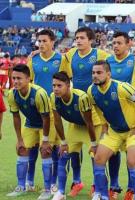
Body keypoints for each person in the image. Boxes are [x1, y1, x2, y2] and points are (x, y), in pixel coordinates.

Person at [88, 60, 135, 200]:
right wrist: (104, 124)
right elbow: (96, 107)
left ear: (108, 74)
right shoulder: (91, 91)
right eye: (93, 73)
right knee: (98, 159)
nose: (95, 75)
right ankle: (103, 196)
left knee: (132, 161)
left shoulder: (122, 88)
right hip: (114, 132)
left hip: (132, 131)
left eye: (99, 72)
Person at [26, 29, 69, 194]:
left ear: (53, 42)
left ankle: (53, 183)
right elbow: (28, 80)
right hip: (35, 107)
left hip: (53, 109)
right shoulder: (33, 59)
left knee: (53, 147)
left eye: (45, 41)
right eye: (39, 41)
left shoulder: (61, 59)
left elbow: (66, 82)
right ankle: (29, 182)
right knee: (32, 146)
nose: (41, 44)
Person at [50, 72, 104, 200]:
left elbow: (89, 122)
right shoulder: (53, 97)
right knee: (63, 155)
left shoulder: (81, 97)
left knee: (95, 158)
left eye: (59, 85)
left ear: (68, 86)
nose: (56, 89)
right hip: (76, 126)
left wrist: (94, 144)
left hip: (93, 127)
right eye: (54, 85)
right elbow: (57, 121)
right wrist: (63, 142)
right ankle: (61, 192)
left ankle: (97, 191)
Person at [7, 64, 56, 200]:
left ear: (28, 79)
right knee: (22, 150)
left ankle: (47, 189)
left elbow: (46, 118)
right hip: (29, 124)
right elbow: (16, 117)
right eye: (14, 78)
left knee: (45, 153)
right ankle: (21, 187)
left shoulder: (39, 93)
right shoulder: (12, 93)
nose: (15, 81)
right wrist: (19, 139)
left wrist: (45, 141)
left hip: (46, 124)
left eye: (19, 78)